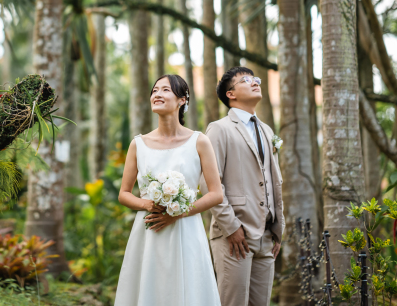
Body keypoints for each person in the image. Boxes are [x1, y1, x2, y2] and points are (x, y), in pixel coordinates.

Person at [115, 74, 224, 306]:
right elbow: (124, 193)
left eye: (165, 90)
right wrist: (148, 204)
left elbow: (216, 194)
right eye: (155, 90)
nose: (157, 94)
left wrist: (177, 213)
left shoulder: (199, 141)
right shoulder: (138, 144)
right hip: (150, 229)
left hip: (187, 229)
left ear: (182, 99)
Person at [205, 66, 285, 306]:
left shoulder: (267, 130)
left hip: (267, 235)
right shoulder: (219, 129)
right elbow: (210, 182)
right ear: (231, 94)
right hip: (234, 235)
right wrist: (231, 228)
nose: (255, 82)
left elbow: (273, 181)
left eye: (256, 79)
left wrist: (277, 229)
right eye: (246, 80)